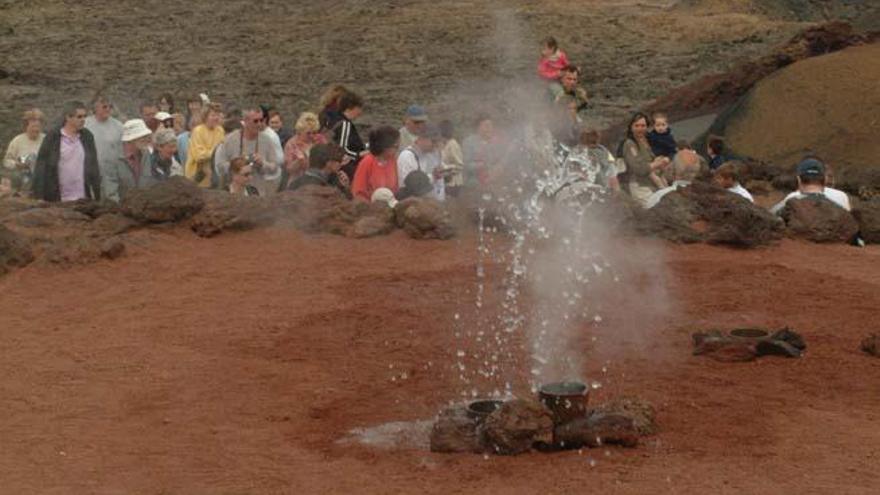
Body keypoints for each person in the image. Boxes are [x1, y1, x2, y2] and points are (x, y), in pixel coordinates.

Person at [32, 101, 101, 202]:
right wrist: (39, 196)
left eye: (84, 117)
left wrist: (97, 193)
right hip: (58, 197)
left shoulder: (87, 136)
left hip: (83, 198)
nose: (83, 120)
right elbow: (41, 166)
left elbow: (93, 166)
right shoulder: (53, 137)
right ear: (68, 117)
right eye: (79, 117)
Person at [215, 107, 281, 195]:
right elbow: (219, 166)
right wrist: (237, 165)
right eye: (255, 121)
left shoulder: (267, 140)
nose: (259, 124)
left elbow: (275, 168)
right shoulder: (230, 139)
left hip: (257, 194)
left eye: (261, 120)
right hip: (232, 194)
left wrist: (263, 163)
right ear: (245, 121)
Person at [619, 112, 670, 206]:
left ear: (647, 127)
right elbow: (639, 169)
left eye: (643, 126)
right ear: (631, 127)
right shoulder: (630, 144)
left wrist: (659, 160)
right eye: (637, 125)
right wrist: (657, 164)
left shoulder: (646, 141)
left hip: (653, 184)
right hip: (641, 188)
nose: (640, 129)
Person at [770, 158, 851, 214]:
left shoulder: (793, 198)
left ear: (799, 180)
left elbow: (772, 214)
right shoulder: (841, 196)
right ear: (825, 179)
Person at [102, 119, 154, 201]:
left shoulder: (146, 154)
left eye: (146, 136)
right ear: (130, 139)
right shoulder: (112, 159)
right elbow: (111, 193)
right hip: (121, 209)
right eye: (142, 137)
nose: (147, 139)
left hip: (144, 208)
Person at [84, 96, 124, 191]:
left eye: (110, 107)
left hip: (112, 172)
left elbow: (122, 150)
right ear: (95, 108)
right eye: (104, 107)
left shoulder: (118, 126)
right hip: (91, 171)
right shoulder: (86, 125)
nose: (108, 109)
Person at [351, 126, 400, 201]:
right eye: (396, 146)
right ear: (385, 147)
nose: (398, 149)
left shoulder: (392, 161)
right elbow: (358, 193)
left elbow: (395, 188)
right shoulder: (367, 162)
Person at [397, 124, 445, 200]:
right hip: (412, 204)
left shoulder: (432, 155)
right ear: (422, 138)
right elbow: (409, 186)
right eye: (433, 141)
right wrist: (433, 176)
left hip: (431, 203)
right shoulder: (407, 156)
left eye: (437, 142)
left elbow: (439, 185)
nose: (435, 145)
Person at [280, 112, 326, 191]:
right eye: (308, 133)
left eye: (314, 133)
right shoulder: (292, 144)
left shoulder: (320, 140)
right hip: (298, 183)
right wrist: (299, 161)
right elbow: (289, 169)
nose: (312, 136)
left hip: (318, 181)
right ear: (299, 132)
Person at [3, 109, 45, 194]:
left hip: (43, 182)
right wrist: (17, 164)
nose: (36, 130)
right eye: (33, 127)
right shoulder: (17, 141)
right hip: (22, 183)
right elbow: (6, 161)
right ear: (26, 126)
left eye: (38, 127)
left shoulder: (46, 140)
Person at [184, 102, 225, 187]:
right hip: (197, 175)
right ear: (205, 117)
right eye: (213, 115)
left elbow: (222, 149)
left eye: (217, 115)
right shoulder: (198, 131)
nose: (216, 118)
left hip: (214, 172)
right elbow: (199, 156)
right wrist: (215, 153)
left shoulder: (220, 130)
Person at [462, 114, 505, 187]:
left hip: (492, 183)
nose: (490, 129)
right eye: (487, 126)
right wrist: (483, 165)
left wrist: (499, 167)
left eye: (491, 126)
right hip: (474, 183)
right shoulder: (469, 142)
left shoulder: (493, 142)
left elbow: (497, 161)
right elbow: (465, 165)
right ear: (478, 127)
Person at [331, 91, 367, 180]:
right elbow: (342, 149)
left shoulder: (336, 118)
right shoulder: (345, 124)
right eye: (358, 108)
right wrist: (359, 154)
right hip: (348, 167)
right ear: (349, 108)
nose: (360, 111)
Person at [438, 120, 464, 197]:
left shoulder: (453, 145)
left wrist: (446, 168)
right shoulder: (443, 144)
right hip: (446, 182)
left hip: (454, 184)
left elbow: (460, 165)